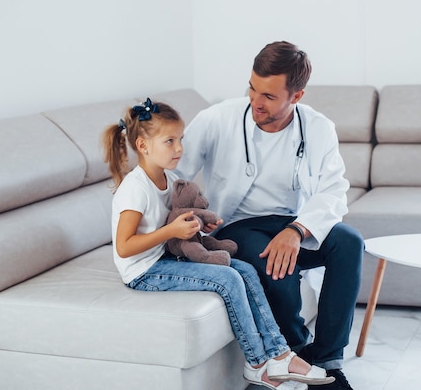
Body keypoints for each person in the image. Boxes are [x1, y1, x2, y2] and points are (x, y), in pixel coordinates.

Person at [101, 98, 334, 390]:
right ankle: (257, 363)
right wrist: (171, 230)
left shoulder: (169, 178)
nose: (179, 149)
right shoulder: (135, 188)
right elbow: (124, 247)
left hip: (165, 258)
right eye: (169, 141)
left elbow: (172, 219)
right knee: (228, 279)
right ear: (143, 145)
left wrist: (197, 223)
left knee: (246, 270)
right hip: (143, 270)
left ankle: (280, 354)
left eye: (181, 140)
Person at [176, 41, 364, 390]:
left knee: (350, 242)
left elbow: (334, 189)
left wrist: (296, 230)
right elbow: (175, 174)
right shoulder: (217, 119)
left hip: (294, 222)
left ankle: (325, 360)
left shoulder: (319, 128)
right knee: (272, 262)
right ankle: (291, 351)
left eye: (269, 96)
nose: (256, 102)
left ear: (297, 96)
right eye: (252, 88)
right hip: (236, 226)